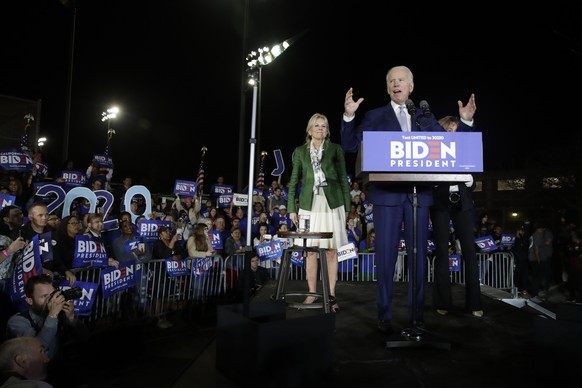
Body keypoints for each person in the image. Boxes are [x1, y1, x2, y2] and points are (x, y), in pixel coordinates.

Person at [340, 65, 476, 333]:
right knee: (386, 257)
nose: (396, 83)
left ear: (411, 86)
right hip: (387, 196)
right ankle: (385, 317)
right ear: (387, 87)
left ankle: (417, 318)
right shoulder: (375, 115)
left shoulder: (424, 117)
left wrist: (466, 123)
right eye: (391, 80)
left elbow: (452, 149)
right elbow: (350, 146)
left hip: (420, 196)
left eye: (401, 79)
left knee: (417, 259)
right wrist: (349, 115)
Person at [287, 113, 351, 313]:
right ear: (309, 129)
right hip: (309, 205)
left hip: (333, 204)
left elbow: (343, 180)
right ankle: (312, 292)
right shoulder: (299, 152)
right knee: (311, 252)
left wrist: (347, 208)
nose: (320, 129)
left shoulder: (335, 150)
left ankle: (331, 295)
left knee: (331, 251)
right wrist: (291, 208)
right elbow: (294, 181)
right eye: (316, 126)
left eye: (324, 126)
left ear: (327, 130)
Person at [431, 115, 483, 318]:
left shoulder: (465, 152)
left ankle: (475, 304)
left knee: (470, 251)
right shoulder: (434, 151)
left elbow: (473, 183)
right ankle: (442, 302)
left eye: (455, 129)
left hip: (463, 204)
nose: (451, 133)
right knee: (442, 252)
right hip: (440, 205)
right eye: (448, 129)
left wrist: (469, 180)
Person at [5, 275, 89, 387]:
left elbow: (85, 337)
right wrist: (52, 315)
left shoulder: (60, 313)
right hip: (32, 375)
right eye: (44, 296)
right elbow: (39, 347)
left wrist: (72, 319)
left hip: (57, 369)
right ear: (30, 300)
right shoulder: (17, 321)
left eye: (53, 295)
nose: (51, 300)